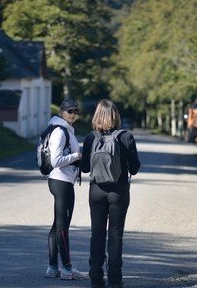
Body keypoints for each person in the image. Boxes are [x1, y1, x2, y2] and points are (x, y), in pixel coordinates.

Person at [81, 99, 141, 288]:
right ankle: (115, 279)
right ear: (116, 116)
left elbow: (84, 168)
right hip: (119, 191)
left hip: (96, 190)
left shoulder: (91, 137)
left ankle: (96, 279)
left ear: (97, 116)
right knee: (115, 235)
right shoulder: (126, 137)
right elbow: (135, 168)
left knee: (96, 234)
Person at [44, 99, 87, 280]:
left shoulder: (64, 129)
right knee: (63, 227)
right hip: (61, 181)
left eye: (75, 111)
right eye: (69, 111)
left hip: (60, 181)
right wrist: (77, 155)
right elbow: (56, 160)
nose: (73, 114)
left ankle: (53, 267)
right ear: (62, 112)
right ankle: (67, 269)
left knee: (57, 226)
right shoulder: (60, 132)